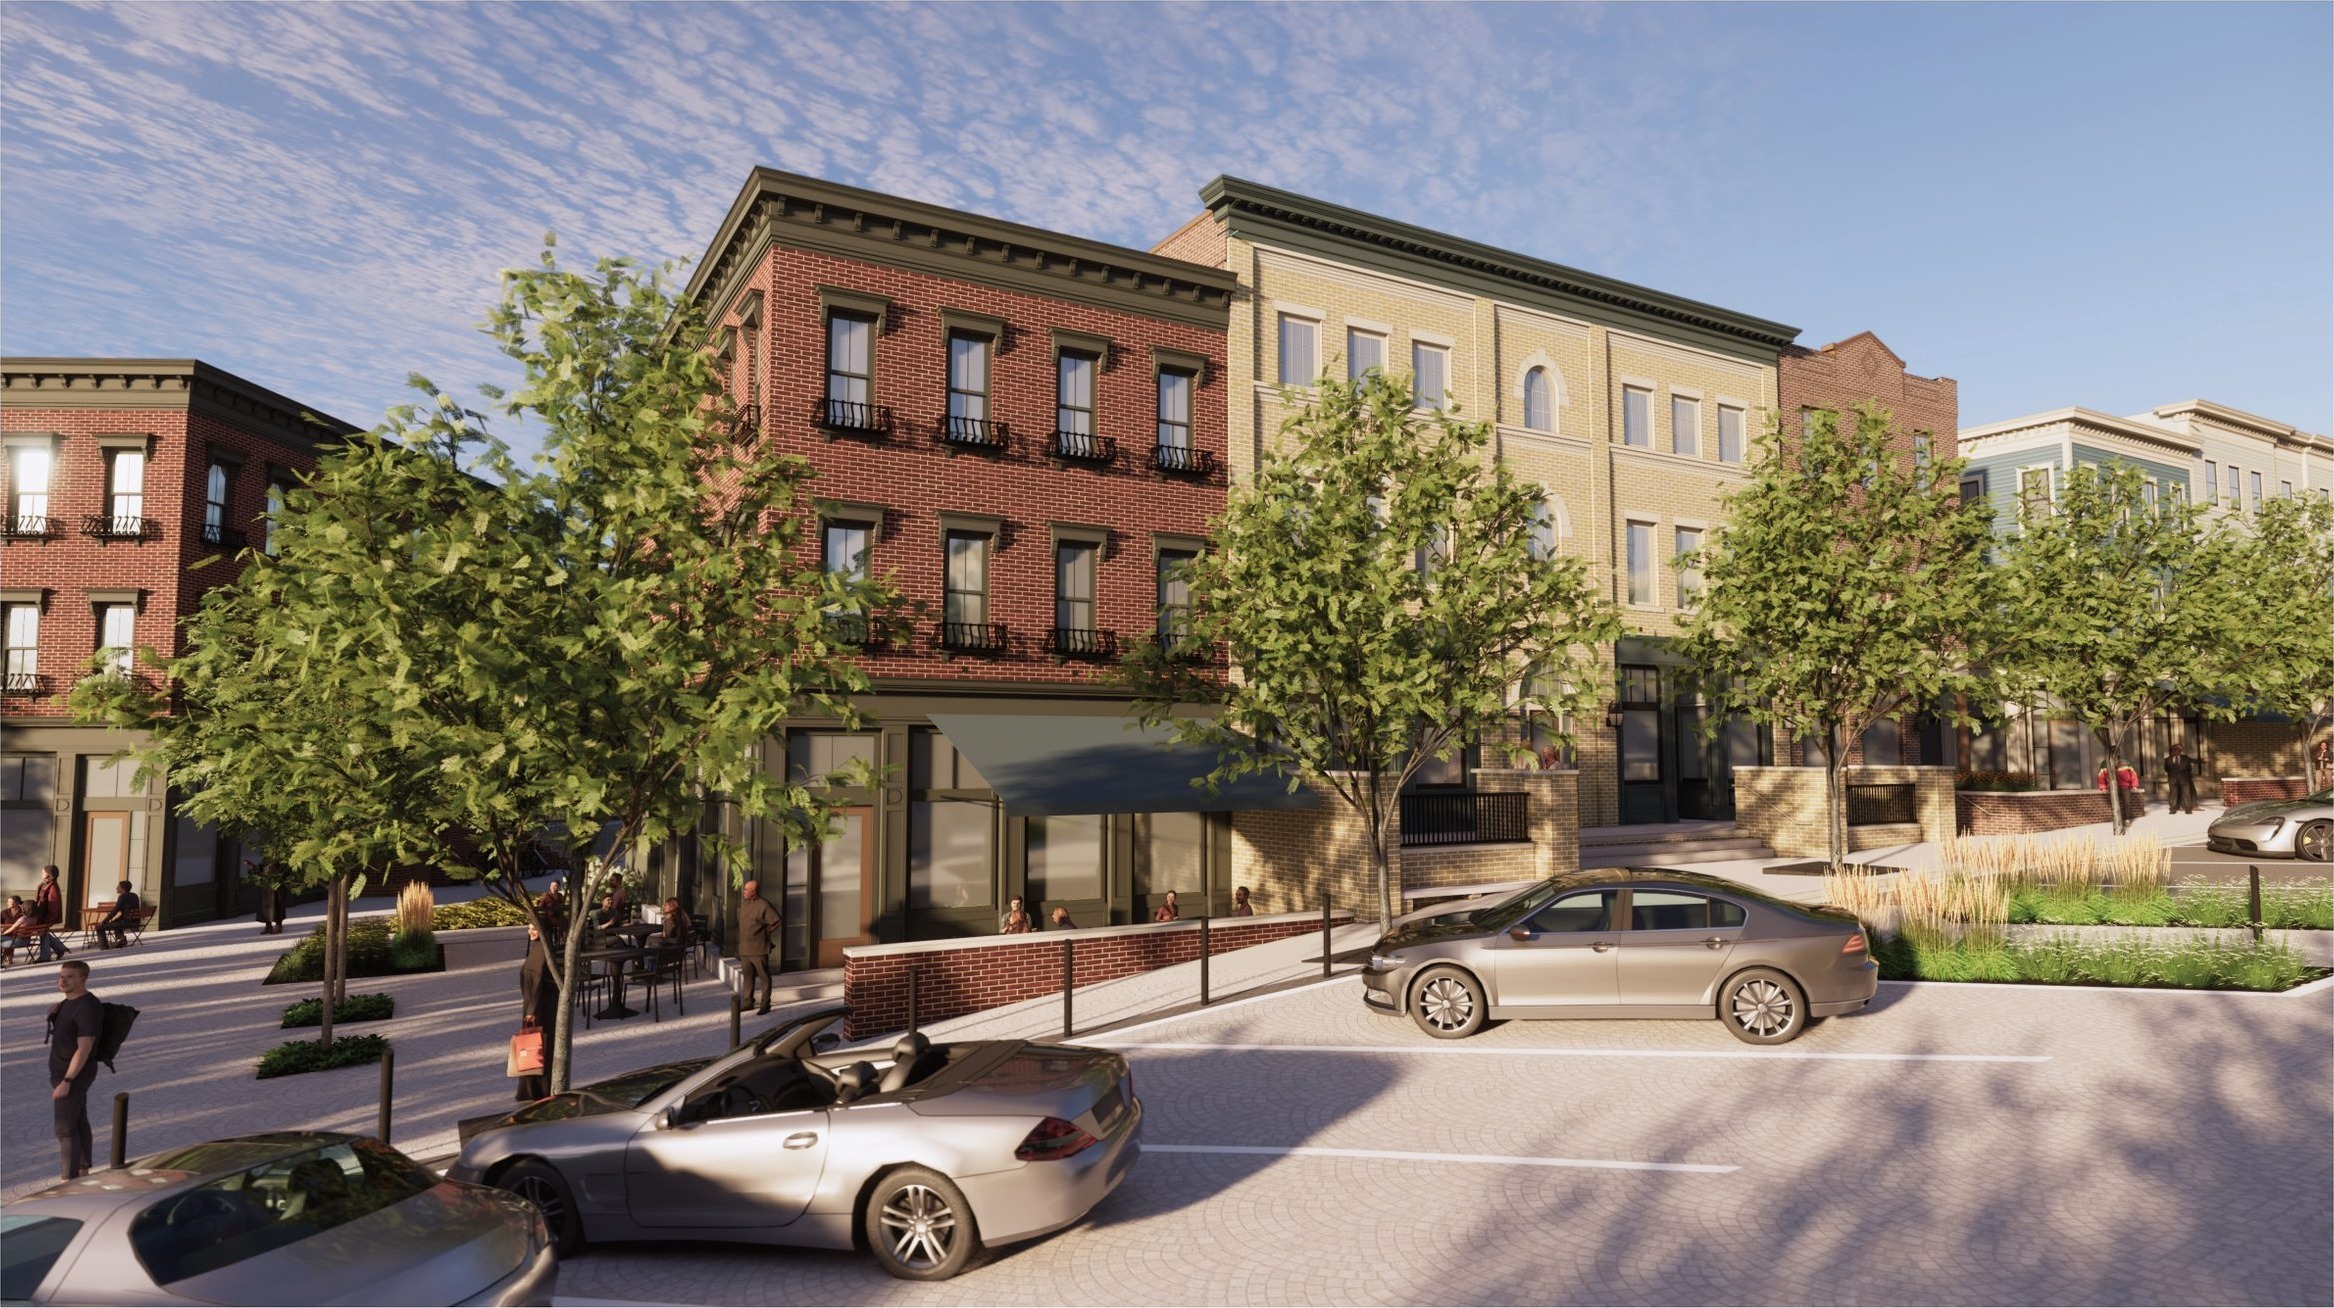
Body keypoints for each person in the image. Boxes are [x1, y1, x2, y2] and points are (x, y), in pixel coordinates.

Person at [48, 960, 102, 1180]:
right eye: (61, 976)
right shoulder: (67, 1003)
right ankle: (82, 1171)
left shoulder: (88, 1007)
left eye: (70, 976)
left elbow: (85, 1046)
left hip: (73, 1074)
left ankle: (68, 1180)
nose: (63, 980)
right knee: (78, 1119)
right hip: (62, 1072)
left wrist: (67, 1081)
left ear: (83, 979)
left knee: (64, 1127)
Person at [515, 923, 559, 1102]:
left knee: (538, 1047)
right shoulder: (538, 949)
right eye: (529, 928)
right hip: (534, 1007)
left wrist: (532, 1010)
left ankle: (538, 1089)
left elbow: (540, 982)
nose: (530, 932)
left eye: (534, 929)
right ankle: (532, 1088)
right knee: (534, 1047)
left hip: (540, 1009)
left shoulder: (543, 952)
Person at [736, 879, 782, 1016]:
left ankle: (765, 1004)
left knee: (764, 976)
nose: (744, 892)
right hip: (745, 948)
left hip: (759, 948)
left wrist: (766, 932)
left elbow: (777, 920)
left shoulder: (764, 905)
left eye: (746, 890)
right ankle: (747, 1002)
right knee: (748, 976)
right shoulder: (744, 904)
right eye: (744, 889)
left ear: (754, 892)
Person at [31, 865, 68, 962]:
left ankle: (45, 956)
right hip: (40, 915)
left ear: (49, 874)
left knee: (43, 932)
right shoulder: (43, 884)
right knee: (43, 932)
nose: (41, 874)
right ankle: (59, 948)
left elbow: (54, 904)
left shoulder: (53, 887)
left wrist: (49, 918)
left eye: (43, 872)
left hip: (46, 916)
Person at [95, 881, 140, 950]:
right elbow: (127, 911)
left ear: (123, 888)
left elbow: (114, 911)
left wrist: (103, 922)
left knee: (99, 927)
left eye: (118, 887)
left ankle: (103, 947)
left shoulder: (122, 897)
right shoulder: (134, 896)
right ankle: (121, 939)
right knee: (116, 922)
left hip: (126, 922)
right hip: (135, 921)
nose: (116, 888)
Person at [2165, 744, 2199, 815]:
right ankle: (2172, 809)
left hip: (2184, 780)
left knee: (2186, 794)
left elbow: (2190, 767)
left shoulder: (2185, 758)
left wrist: (2203, 761)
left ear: (2180, 751)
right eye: (2173, 750)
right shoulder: (2168, 760)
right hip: (2173, 780)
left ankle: (2188, 809)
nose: (2174, 751)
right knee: (2173, 795)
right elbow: (2167, 769)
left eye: (2176, 750)